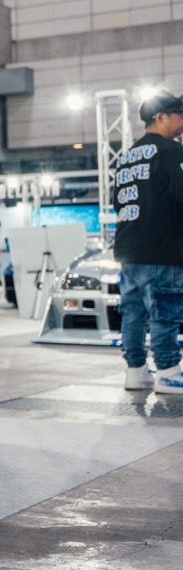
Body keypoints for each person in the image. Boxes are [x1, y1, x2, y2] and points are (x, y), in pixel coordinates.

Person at [113, 89, 183, 391]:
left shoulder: (126, 156)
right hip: (160, 247)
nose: (182, 120)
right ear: (161, 117)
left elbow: (117, 202)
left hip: (129, 248)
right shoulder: (171, 151)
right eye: (179, 114)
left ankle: (136, 371)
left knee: (133, 312)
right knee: (164, 311)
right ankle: (168, 370)